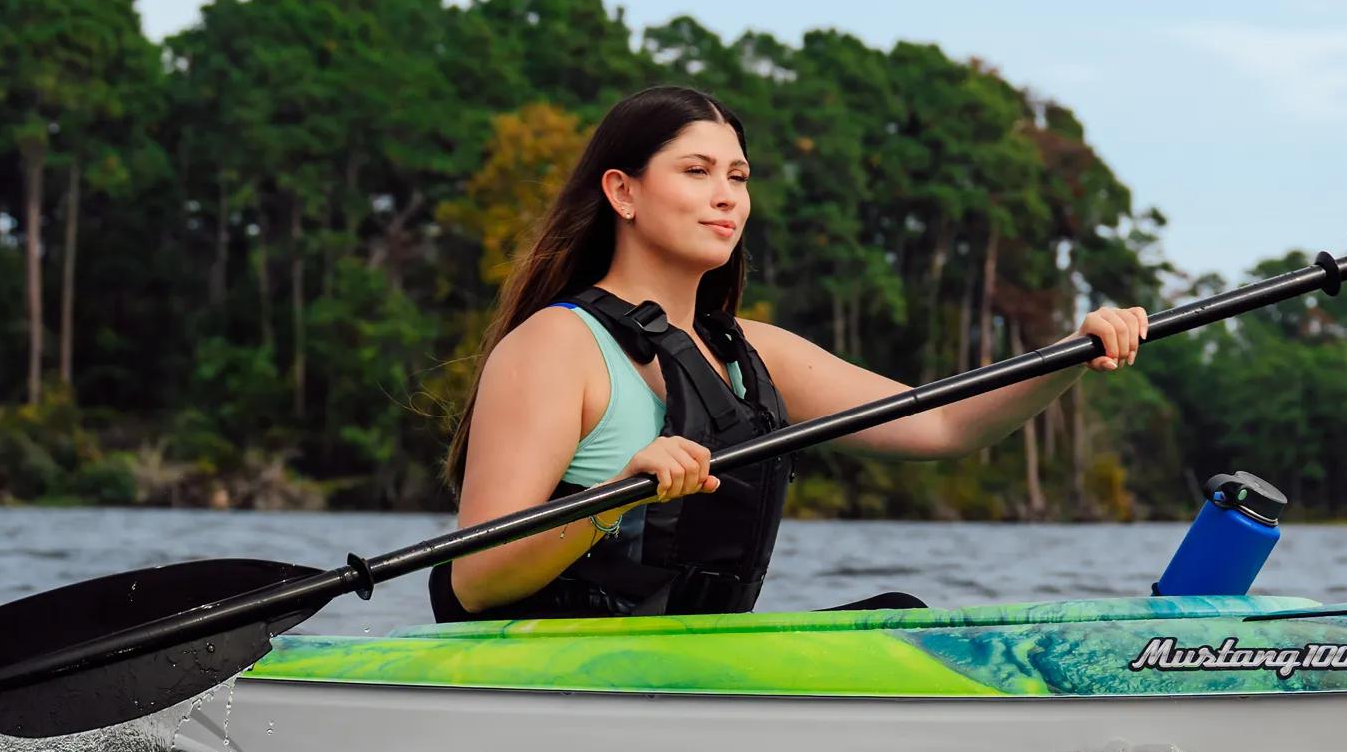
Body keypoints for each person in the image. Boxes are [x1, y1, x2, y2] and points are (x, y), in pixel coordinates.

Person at [434, 85, 1148, 621]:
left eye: (738, 177)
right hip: (555, 681)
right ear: (622, 191)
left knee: (894, 616)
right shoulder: (557, 346)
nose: (727, 198)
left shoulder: (755, 354)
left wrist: (1069, 356)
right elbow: (477, 578)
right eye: (697, 172)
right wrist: (615, 489)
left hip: (695, 684)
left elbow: (944, 426)